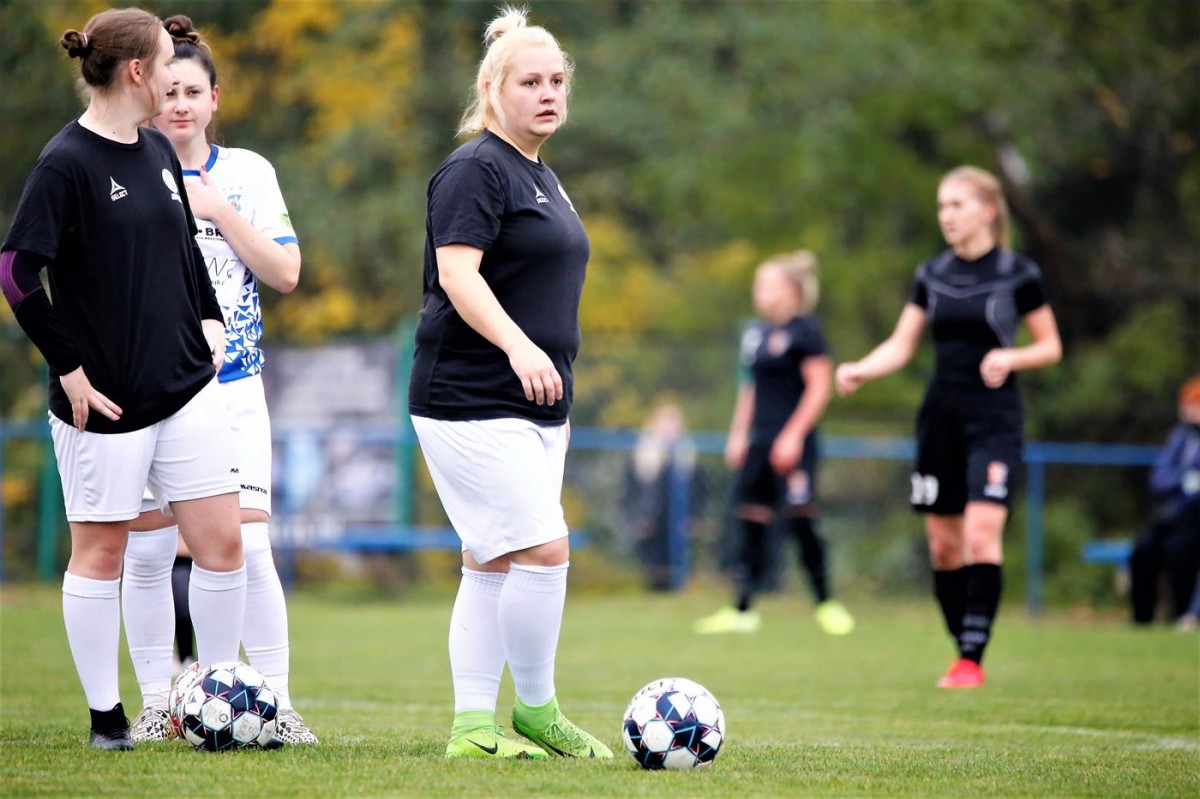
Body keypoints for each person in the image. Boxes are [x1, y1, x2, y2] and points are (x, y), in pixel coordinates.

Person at [0, 8, 247, 749]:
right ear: (137, 71)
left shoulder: (157, 148)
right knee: (102, 554)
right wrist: (68, 369)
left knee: (223, 545)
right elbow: (15, 272)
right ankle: (107, 719)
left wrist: (210, 320)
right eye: (167, 62)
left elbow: (185, 251)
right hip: (104, 401)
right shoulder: (65, 162)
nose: (175, 74)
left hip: (187, 387)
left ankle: (216, 701)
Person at [408, 6, 611, 760]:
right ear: (493, 89)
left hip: (534, 404)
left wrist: (549, 374)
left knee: (490, 561)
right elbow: (459, 275)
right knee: (544, 550)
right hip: (471, 396)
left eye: (557, 80)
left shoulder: (539, 173)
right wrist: (522, 348)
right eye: (530, 82)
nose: (548, 93)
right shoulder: (476, 168)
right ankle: (536, 710)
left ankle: (471, 729)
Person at [118, 14, 316, 744]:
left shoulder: (248, 173)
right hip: (147, 394)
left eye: (192, 92)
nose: (179, 104)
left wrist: (218, 210)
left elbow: (287, 273)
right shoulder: (122, 166)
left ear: (214, 99)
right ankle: (157, 703)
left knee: (250, 547)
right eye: (168, 91)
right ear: (147, 92)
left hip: (232, 389)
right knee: (146, 552)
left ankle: (275, 704)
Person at [836, 166, 1062, 689]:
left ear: (988, 211)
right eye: (942, 206)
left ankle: (970, 659)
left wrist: (1011, 357)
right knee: (944, 547)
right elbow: (901, 344)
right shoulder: (932, 273)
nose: (947, 216)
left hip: (995, 418)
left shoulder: (1017, 273)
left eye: (957, 205)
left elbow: (1051, 346)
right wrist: (862, 369)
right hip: (941, 416)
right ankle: (963, 647)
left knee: (982, 533)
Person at [695, 251, 855, 636]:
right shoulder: (756, 333)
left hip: (794, 443)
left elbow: (819, 387)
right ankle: (742, 609)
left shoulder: (806, 332)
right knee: (751, 519)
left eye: (767, 285)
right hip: (760, 441)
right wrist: (739, 435)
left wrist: (793, 435)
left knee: (801, 520)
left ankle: (826, 603)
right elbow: (750, 388)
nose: (759, 292)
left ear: (792, 291)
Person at [1129, 376, 1200, 626]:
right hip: (1174, 514)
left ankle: (1183, 616)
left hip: (1195, 519)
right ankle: (1142, 620)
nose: (1188, 410)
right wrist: (1185, 480)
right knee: (1143, 550)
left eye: (1194, 404)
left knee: (1178, 550)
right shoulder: (1180, 437)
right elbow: (1158, 479)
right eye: (1187, 404)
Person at [626, 403, 697, 591]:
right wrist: (638, 517)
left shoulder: (686, 456)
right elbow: (632, 491)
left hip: (677, 519)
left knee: (677, 560)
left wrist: (693, 517)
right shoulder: (643, 456)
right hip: (651, 519)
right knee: (653, 563)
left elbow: (696, 490)